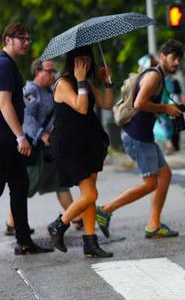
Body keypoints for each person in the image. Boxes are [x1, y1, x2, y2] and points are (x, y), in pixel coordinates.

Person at [94, 39, 183, 239]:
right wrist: (165, 108)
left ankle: (153, 225)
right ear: (162, 57)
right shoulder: (153, 77)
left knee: (165, 174)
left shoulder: (158, 76)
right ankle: (106, 209)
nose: (176, 62)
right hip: (137, 137)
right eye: (173, 58)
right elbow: (139, 102)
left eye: (179, 59)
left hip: (143, 136)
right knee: (150, 183)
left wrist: (163, 111)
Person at [47, 45, 114, 258]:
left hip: (88, 144)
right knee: (91, 194)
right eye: (80, 58)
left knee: (89, 196)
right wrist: (81, 80)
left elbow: (106, 103)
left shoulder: (85, 82)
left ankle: (90, 242)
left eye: (87, 58)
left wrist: (107, 81)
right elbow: (82, 107)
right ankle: (59, 225)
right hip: (69, 147)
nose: (84, 62)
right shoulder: (64, 84)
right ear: (72, 60)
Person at [4, 58, 81, 236]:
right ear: (37, 72)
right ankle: (11, 222)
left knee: (61, 184)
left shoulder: (50, 90)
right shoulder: (31, 91)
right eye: (49, 71)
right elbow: (26, 119)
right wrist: (42, 135)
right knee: (26, 186)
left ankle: (76, 217)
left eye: (54, 71)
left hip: (49, 150)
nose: (53, 75)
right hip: (34, 148)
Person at [0, 22, 53, 255]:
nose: (26, 42)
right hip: (4, 141)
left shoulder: (10, 65)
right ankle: (23, 239)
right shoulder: (3, 65)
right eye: (21, 38)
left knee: (20, 187)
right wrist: (21, 136)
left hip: (9, 141)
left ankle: (24, 241)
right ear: (8, 40)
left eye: (28, 38)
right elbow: (4, 104)